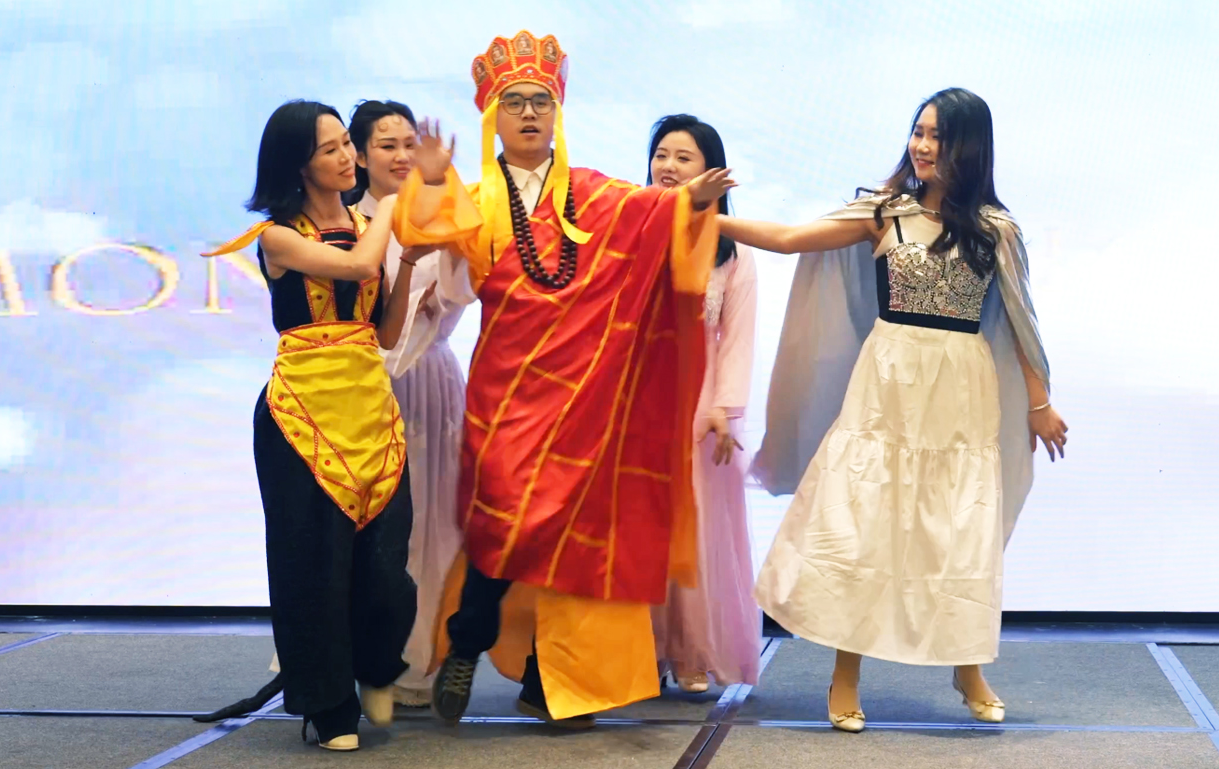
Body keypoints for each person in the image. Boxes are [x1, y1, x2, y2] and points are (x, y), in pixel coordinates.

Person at [388, 30, 735, 727]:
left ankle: (553, 684)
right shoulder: (478, 198)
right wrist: (433, 182)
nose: (528, 113)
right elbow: (438, 256)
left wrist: (690, 203)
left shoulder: (598, 194)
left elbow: (660, 224)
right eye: (514, 102)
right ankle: (468, 640)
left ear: (558, 113)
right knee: (502, 524)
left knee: (574, 541)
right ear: (493, 117)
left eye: (540, 101)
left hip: (588, 393)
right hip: (507, 390)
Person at [723, 88, 1068, 732]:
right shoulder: (885, 214)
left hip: (960, 386)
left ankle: (968, 669)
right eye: (919, 131)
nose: (923, 145)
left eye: (938, 135)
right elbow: (791, 239)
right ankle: (845, 674)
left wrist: (1040, 403)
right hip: (888, 380)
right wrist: (709, 218)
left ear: (970, 146)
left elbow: (1022, 321)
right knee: (864, 520)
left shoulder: (997, 230)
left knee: (958, 529)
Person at [199, 99, 423, 751]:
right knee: (312, 567)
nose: (347, 156)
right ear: (299, 165)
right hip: (301, 415)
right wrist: (396, 209)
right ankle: (329, 708)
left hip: (371, 408)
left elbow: (384, 331)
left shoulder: (368, 226)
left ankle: (376, 669)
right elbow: (355, 268)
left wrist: (409, 261)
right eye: (331, 149)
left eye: (346, 144)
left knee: (386, 566)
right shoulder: (278, 237)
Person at [348, 99, 468, 710]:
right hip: (361, 387)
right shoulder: (345, 222)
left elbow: (465, 288)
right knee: (372, 525)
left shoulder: (441, 214)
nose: (400, 156)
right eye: (386, 144)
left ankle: (421, 662)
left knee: (433, 519)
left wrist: (443, 191)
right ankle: (364, 658)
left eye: (408, 145)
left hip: (430, 380)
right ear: (358, 154)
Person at [646, 115, 760, 693]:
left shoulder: (732, 253)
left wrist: (724, 409)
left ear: (712, 172)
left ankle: (689, 650)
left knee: (693, 533)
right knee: (641, 528)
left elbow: (737, 339)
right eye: (661, 154)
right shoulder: (631, 233)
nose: (668, 167)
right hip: (638, 399)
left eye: (683, 157)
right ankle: (640, 652)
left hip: (699, 401)